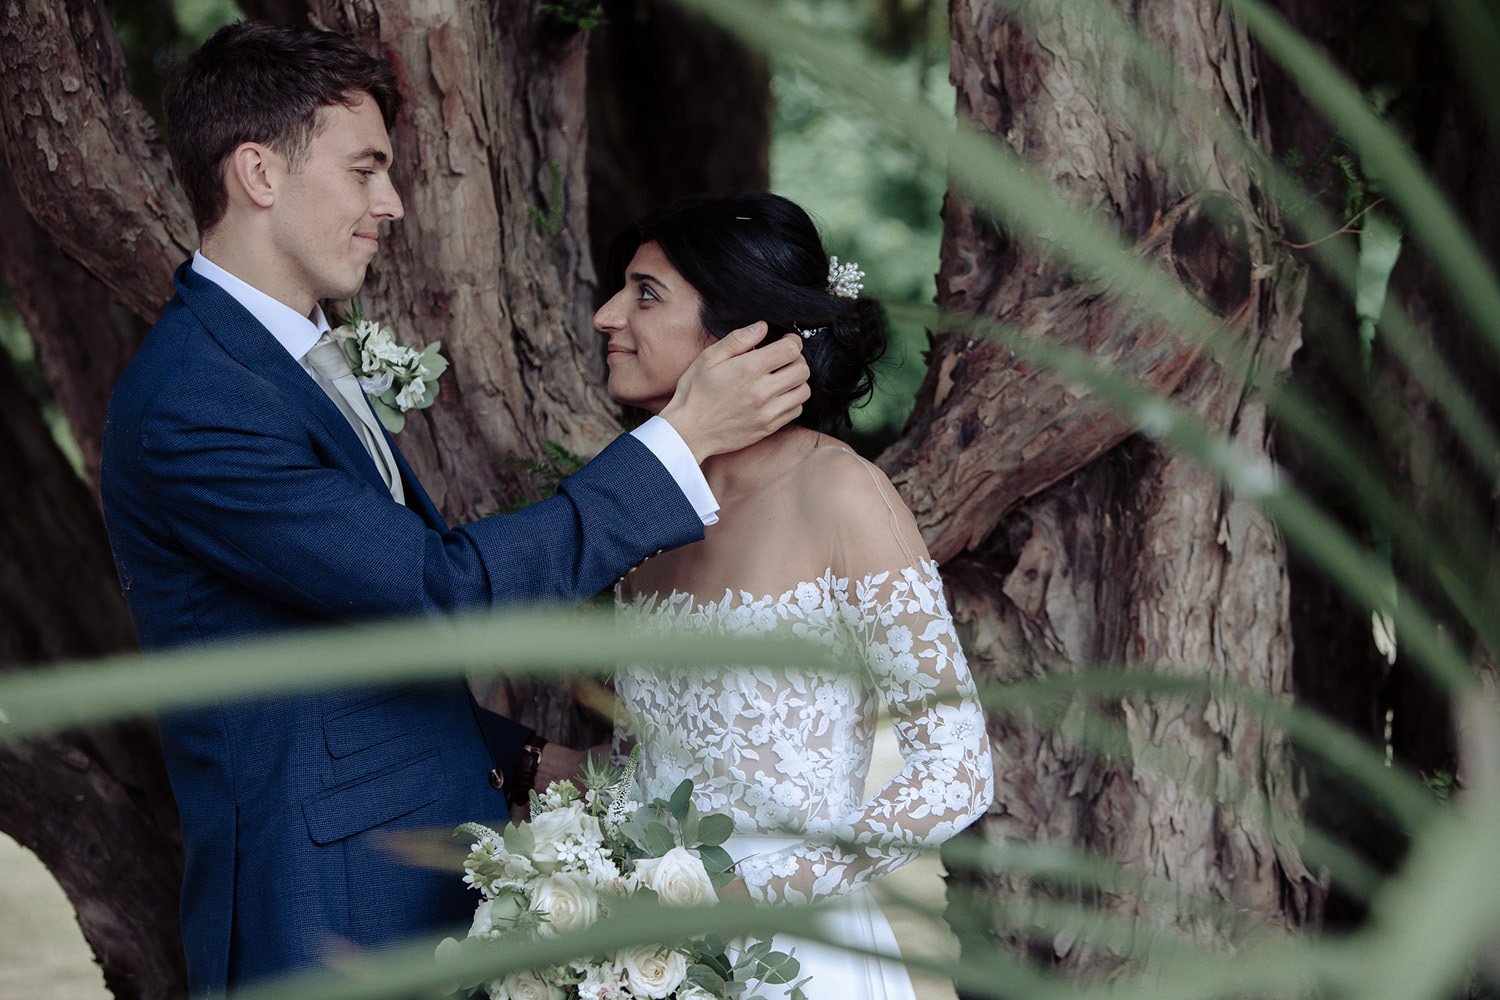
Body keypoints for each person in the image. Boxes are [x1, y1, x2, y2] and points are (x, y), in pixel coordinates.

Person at [98, 23, 808, 997]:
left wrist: (523, 760)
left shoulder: (284, 358)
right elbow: (434, 591)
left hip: (417, 885)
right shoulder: (197, 401)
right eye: (365, 170)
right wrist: (679, 443)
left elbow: (338, 650)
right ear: (259, 172)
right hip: (328, 915)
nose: (391, 204)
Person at [598, 193, 994, 998]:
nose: (607, 316)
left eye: (646, 294)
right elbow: (646, 761)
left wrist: (748, 896)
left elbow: (956, 770)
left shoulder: (840, 494)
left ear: (741, 332)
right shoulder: (645, 512)